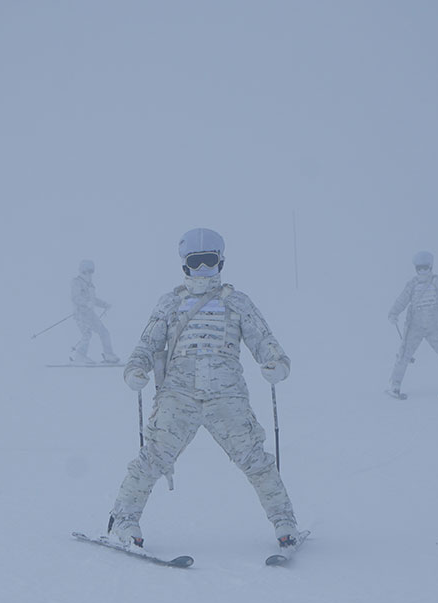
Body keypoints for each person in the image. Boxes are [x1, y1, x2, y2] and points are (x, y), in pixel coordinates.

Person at [107, 228, 299, 549]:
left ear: (220, 261)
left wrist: (275, 363)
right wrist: (135, 370)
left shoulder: (236, 302)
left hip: (227, 396)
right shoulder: (170, 303)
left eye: (209, 261)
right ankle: (124, 520)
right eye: (196, 263)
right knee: (152, 456)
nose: (202, 271)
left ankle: (284, 521)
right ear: (184, 265)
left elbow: (264, 340)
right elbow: (146, 344)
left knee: (255, 458)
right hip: (177, 395)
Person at [386, 250, 438, 399]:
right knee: (404, 354)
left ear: (431, 267)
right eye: (419, 268)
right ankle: (395, 385)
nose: (422, 271)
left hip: (434, 326)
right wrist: (393, 313)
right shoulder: (412, 284)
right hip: (414, 327)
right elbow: (402, 300)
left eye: (425, 267)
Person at [69, 260, 119, 364]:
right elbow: (75, 297)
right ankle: (80, 356)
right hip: (80, 313)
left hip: (90, 314)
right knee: (86, 334)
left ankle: (109, 355)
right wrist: (86, 303)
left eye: (92, 271)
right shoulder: (76, 282)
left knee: (104, 332)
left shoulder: (90, 284)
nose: (90, 273)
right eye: (88, 270)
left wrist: (104, 304)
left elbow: (93, 300)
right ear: (83, 270)